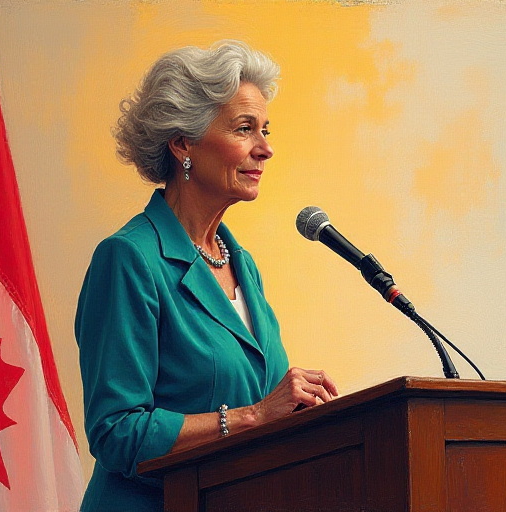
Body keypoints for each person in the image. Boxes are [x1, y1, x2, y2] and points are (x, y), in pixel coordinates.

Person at [74, 41, 339, 512]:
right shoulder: (129, 258)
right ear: (183, 143)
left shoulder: (243, 265)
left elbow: (266, 409)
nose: (266, 149)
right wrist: (254, 415)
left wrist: (299, 412)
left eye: (265, 130)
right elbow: (116, 431)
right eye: (244, 129)